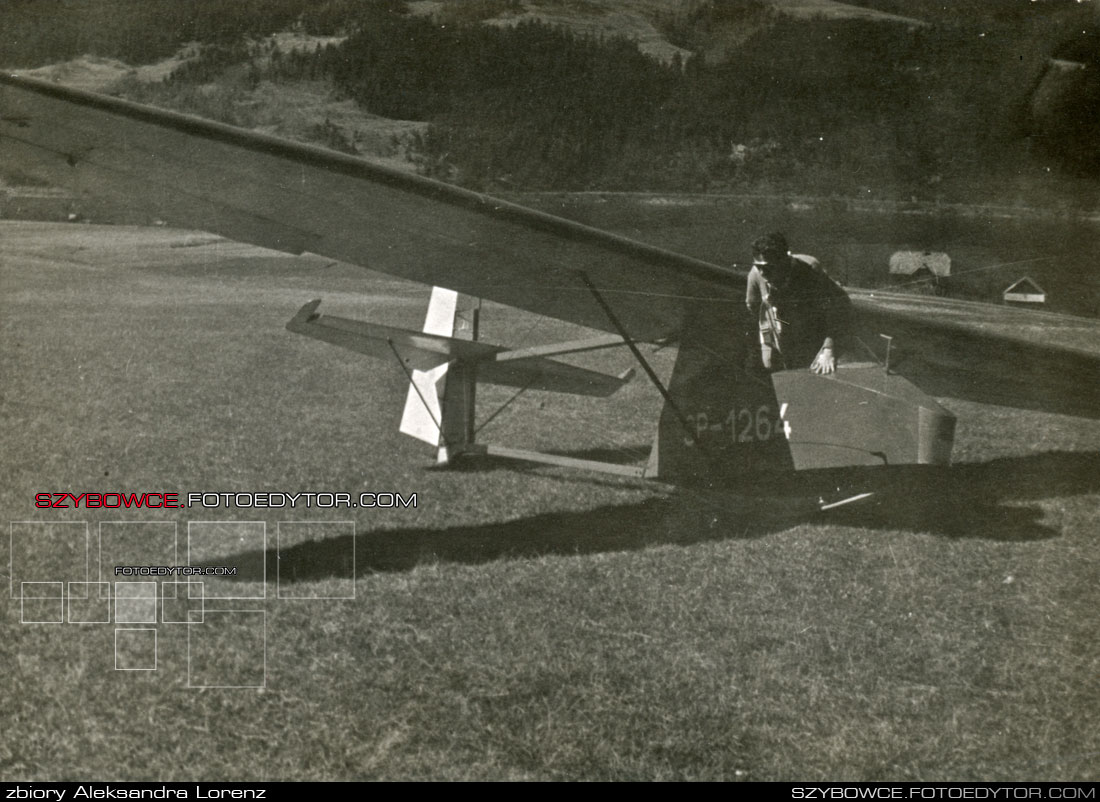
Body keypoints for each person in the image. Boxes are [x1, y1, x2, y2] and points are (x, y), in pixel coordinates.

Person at [744, 232, 851, 374]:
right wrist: (764, 344)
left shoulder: (810, 269)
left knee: (816, 374)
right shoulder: (755, 275)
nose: (763, 273)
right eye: (758, 266)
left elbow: (839, 305)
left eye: (769, 267)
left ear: (784, 261)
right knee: (770, 366)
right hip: (778, 337)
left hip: (810, 338)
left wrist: (828, 349)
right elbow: (754, 310)